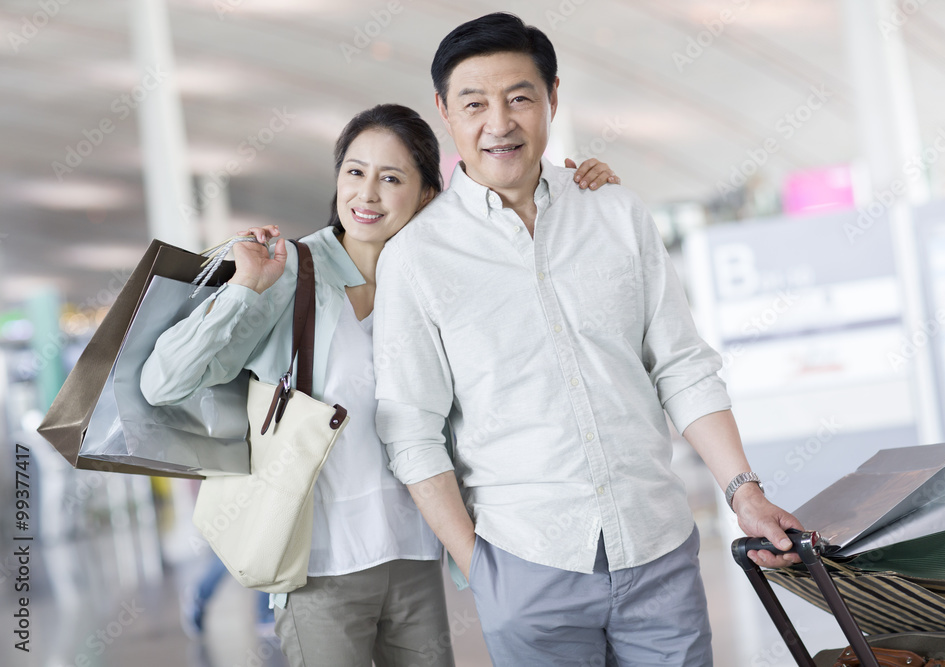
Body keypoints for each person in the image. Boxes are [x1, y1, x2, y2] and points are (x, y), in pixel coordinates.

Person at [372, 13, 803, 666]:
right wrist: (480, 566)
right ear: (444, 111)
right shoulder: (418, 258)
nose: (500, 122)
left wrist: (743, 490)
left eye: (519, 97)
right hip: (526, 562)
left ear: (551, 97)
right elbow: (411, 429)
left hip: (657, 549)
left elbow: (682, 366)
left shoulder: (615, 212)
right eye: (474, 103)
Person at [141, 103, 618, 666]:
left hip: (418, 557)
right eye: (354, 172)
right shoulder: (289, 272)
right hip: (318, 566)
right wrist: (245, 286)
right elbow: (164, 382)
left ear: (425, 196)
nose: (366, 194)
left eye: (391, 178)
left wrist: (579, 199)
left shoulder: (432, 275)